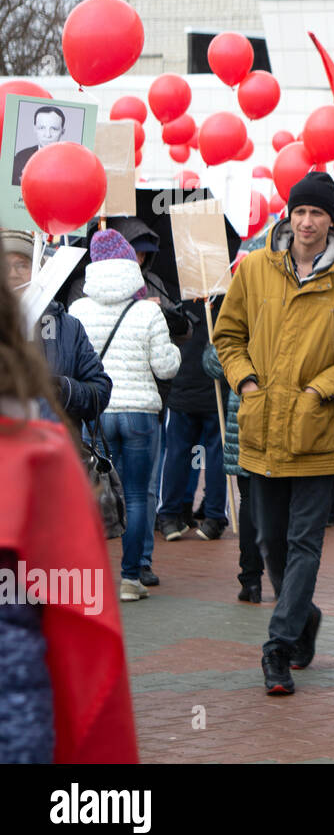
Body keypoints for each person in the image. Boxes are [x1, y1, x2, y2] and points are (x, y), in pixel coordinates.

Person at [213, 171, 334, 696]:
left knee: (304, 543)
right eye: (300, 212)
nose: (307, 222)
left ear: (332, 219)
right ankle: (304, 617)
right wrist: (246, 380)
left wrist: (320, 390)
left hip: (317, 436)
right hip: (262, 430)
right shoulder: (256, 269)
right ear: (288, 215)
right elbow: (228, 334)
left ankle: (278, 647)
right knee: (267, 542)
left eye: (317, 213)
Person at [0, 280, 138, 763]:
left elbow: (83, 627)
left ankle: (138, 568)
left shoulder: (39, 457)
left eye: (25, 263)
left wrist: (62, 390)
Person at [68, 229, 181, 602]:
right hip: (139, 415)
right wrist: (176, 355)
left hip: (95, 415)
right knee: (135, 496)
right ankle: (131, 578)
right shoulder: (148, 309)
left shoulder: (77, 310)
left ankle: (91, 575)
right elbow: (165, 368)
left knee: (93, 495)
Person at [2, 230, 111, 432]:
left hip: (58, 453)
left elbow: (100, 392)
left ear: (39, 271)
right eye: (5, 266)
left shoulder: (69, 327)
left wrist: (63, 389)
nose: (13, 273)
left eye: (22, 265)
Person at [156, 295, 228, 542]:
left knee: (176, 454)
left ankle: (169, 516)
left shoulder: (179, 299)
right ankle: (215, 517)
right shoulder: (230, 300)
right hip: (215, 389)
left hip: (183, 387)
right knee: (217, 455)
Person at [201, 343, 262, 603]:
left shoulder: (241, 317)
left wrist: (212, 347)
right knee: (277, 503)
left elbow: (214, 364)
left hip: (245, 417)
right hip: (279, 415)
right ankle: (281, 580)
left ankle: (251, 580)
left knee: (249, 502)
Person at [11, 105, 66, 185]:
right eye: (41, 128)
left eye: (54, 129)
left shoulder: (71, 162)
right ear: (35, 129)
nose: (47, 135)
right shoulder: (20, 158)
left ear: (62, 131)